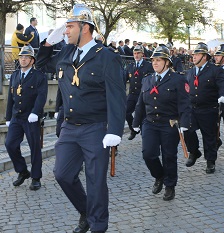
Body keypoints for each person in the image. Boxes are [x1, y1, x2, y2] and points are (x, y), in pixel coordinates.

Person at [36, 4, 126, 233]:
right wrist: (47, 44)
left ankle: (97, 226)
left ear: (85, 28)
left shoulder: (106, 57)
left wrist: (114, 130)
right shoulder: (66, 52)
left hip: (95, 128)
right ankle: (86, 211)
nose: (65, 31)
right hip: (69, 127)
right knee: (62, 174)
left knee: (95, 181)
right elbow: (41, 64)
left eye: (69, 26)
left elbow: (116, 96)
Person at [132, 45, 191, 201]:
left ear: (167, 63)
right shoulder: (147, 80)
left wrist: (184, 123)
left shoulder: (178, 79)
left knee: (169, 155)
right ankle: (159, 176)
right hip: (150, 123)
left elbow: (184, 103)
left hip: (169, 123)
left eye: (158, 60)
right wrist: (136, 122)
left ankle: (170, 185)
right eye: (153, 60)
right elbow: (140, 103)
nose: (155, 63)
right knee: (148, 154)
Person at [5, 45, 48, 191]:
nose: (23, 60)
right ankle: (23, 171)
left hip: (31, 117)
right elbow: (11, 97)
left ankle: (36, 178)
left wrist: (36, 112)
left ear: (32, 60)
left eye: (26, 58)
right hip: (17, 117)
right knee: (10, 144)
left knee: (34, 147)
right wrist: (8, 116)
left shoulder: (39, 76)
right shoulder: (15, 75)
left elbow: (41, 96)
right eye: (21, 57)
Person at [184, 42, 224, 174]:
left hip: (208, 108)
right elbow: (184, 89)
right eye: (193, 54)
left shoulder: (215, 70)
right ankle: (194, 151)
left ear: (204, 56)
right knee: (187, 130)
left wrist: (223, 96)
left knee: (208, 136)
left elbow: (223, 85)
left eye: (197, 54)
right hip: (192, 108)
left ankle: (210, 161)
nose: (194, 57)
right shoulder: (190, 72)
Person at [125, 44, 154, 140]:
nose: (136, 55)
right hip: (132, 94)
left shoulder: (148, 66)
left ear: (142, 54)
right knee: (126, 112)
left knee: (143, 115)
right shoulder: (130, 66)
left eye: (138, 53)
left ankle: (144, 136)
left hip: (143, 94)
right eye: (134, 53)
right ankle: (133, 129)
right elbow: (123, 79)